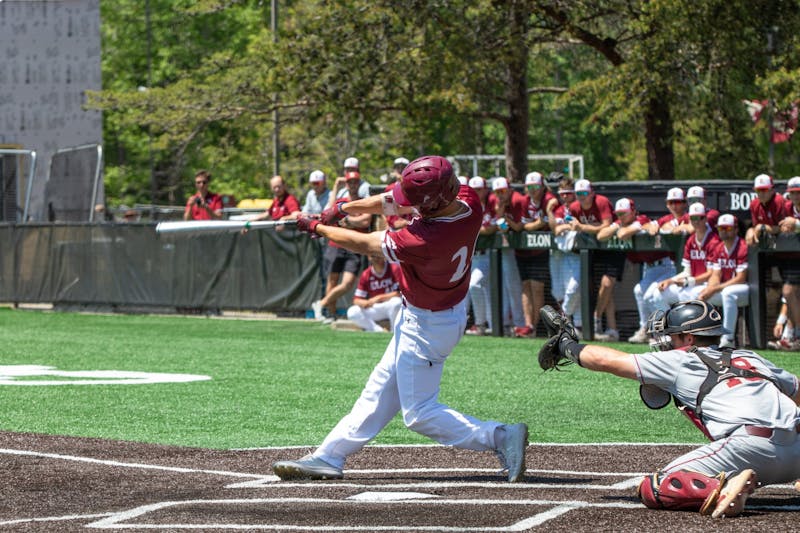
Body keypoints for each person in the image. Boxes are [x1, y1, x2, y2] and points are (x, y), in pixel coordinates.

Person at [273, 155, 528, 482]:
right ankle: (329, 456)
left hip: (428, 325)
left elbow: (366, 243)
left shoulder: (424, 239)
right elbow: (393, 201)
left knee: (419, 413)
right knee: (378, 392)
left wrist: (318, 227)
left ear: (433, 203)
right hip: (429, 316)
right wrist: (343, 208)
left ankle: (500, 436)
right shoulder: (466, 199)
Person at [539, 299, 800, 519]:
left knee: (654, 487)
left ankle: (723, 491)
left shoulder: (681, 359)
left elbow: (607, 360)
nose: (667, 341)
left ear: (688, 337)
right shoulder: (750, 357)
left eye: (672, 336)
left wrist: (566, 345)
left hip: (750, 448)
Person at [597, 198, 675, 344]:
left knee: (653, 294)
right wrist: (617, 225)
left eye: (624, 213)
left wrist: (620, 227)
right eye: (618, 214)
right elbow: (601, 235)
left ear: (633, 212)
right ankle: (645, 329)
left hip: (666, 265)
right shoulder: (620, 222)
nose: (621, 217)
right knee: (639, 291)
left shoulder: (642, 219)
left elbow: (623, 234)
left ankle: (662, 332)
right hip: (650, 267)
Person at [312, 171, 372, 324]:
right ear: (346, 184)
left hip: (354, 246)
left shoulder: (362, 201)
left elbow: (365, 221)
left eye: (355, 182)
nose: (352, 185)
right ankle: (331, 315)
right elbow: (329, 213)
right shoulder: (341, 200)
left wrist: (348, 220)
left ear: (359, 184)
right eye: (350, 182)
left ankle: (321, 304)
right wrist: (335, 186)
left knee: (347, 283)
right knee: (332, 281)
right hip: (336, 244)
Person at [568, 178, 617, 340]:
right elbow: (569, 223)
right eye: (578, 194)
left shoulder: (601, 202)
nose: (581, 197)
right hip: (593, 250)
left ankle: (596, 318)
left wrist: (582, 227)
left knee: (607, 284)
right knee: (604, 289)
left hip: (613, 247)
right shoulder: (574, 207)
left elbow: (606, 225)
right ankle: (612, 329)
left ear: (592, 193)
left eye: (584, 193)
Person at [511, 171, 558, 337]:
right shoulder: (524, 201)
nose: (532, 190)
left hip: (541, 250)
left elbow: (553, 203)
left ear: (542, 186)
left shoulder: (548, 199)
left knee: (537, 288)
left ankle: (537, 326)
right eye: (529, 187)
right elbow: (526, 227)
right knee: (526, 286)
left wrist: (537, 224)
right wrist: (539, 223)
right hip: (524, 251)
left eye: (536, 186)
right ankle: (528, 324)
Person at [654, 203, 721, 310]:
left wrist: (688, 282)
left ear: (705, 219)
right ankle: (669, 326)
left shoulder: (714, 241)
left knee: (687, 294)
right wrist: (670, 281)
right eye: (693, 218)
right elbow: (687, 271)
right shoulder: (690, 240)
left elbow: (711, 274)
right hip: (693, 283)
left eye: (700, 218)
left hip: (707, 286)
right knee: (659, 294)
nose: (696, 221)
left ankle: (690, 325)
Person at [698, 214, 749, 348]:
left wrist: (714, 289)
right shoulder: (719, 247)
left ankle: (728, 339)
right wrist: (709, 289)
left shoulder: (742, 246)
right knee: (700, 294)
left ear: (736, 229)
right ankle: (705, 338)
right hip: (725, 288)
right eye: (720, 228)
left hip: (745, 289)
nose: (723, 231)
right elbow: (716, 274)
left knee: (728, 293)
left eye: (727, 228)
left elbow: (741, 278)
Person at [489, 177, 527, 337]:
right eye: (497, 192)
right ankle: (506, 323)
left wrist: (505, 218)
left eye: (503, 191)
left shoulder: (518, 200)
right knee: (504, 286)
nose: (500, 194)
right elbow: (499, 223)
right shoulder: (496, 201)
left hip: (524, 252)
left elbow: (519, 226)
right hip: (509, 250)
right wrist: (500, 213)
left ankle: (521, 323)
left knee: (515, 287)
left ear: (510, 190)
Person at [548, 177, 582, 335]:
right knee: (561, 292)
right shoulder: (560, 209)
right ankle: (575, 327)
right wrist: (549, 211)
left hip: (578, 255)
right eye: (562, 194)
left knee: (574, 290)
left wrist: (566, 226)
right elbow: (555, 229)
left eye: (568, 193)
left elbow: (578, 226)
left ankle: (565, 318)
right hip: (563, 255)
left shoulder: (579, 206)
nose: (565, 197)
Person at [465, 176, 494, 336]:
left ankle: (482, 323)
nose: (476, 192)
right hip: (471, 256)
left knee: (475, 285)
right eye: (473, 189)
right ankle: (481, 324)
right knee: (471, 289)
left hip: (487, 255)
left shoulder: (490, 204)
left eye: (479, 189)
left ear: (485, 189)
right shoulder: (468, 205)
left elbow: (490, 229)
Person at [346, 254, 403, 333]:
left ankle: (394, 331)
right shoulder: (366, 274)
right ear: (369, 257)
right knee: (352, 312)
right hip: (375, 307)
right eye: (373, 256)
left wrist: (378, 298)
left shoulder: (394, 268)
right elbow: (356, 299)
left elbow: (400, 292)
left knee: (396, 302)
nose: (376, 258)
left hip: (391, 306)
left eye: (378, 255)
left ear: (385, 256)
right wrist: (364, 302)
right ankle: (377, 330)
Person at [775, 176, 800, 351]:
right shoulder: (787, 208)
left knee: (791, 292)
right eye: (792, 193)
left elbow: (795, 224)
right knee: (790, 292)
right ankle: (794, 333)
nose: (796, 196)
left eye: (798, 193)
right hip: (793, 256)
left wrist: (796, 224)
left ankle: (794, 332)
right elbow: (777, 226)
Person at [745, 173, 786, 247]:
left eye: (764, 190)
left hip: (787, 246)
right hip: (767, 248)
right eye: (758, 190)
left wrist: (763, 227)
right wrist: (751, 231)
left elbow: (785, 229)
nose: (761, 193)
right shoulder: (754, 204)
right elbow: (756, 227)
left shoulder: (779, 202)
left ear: (772, 190)